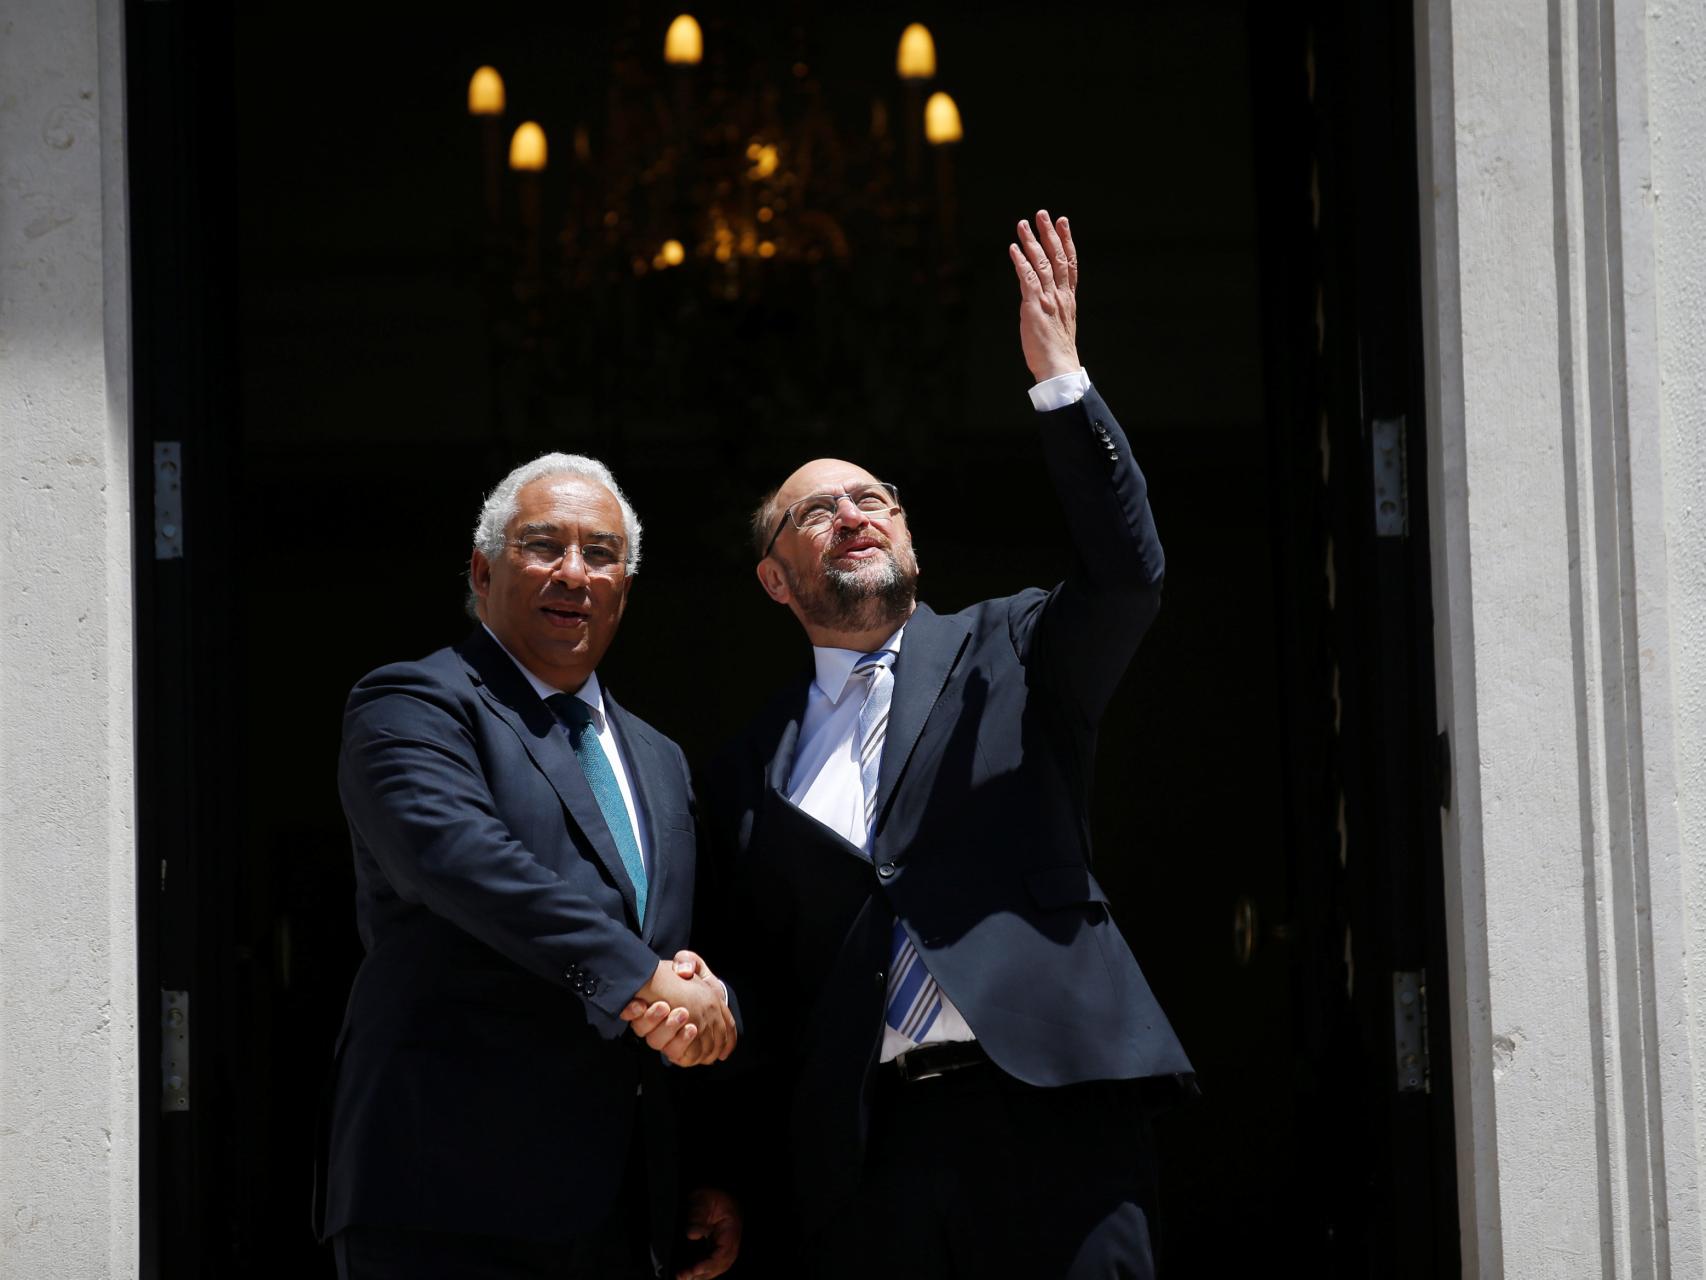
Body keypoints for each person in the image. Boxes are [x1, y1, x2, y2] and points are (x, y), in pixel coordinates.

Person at [666, 211, 1195, 1278]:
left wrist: (1060, 379)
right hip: (869, 1157)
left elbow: (1128, 575)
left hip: (1052, 1116)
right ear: (774, 577)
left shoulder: (1011, 647)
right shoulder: (740, 772)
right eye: (817, 511)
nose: (854, 515)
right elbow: (761, 988)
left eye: (873, 499)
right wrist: (717, 1165)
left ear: (906, 531)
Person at [314, 454, 741, 1280]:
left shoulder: (661, 760)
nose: (575, 573)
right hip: (451, 1199)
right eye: (544, 545)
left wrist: (708, 1147)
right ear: (482, 570)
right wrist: (648, 979)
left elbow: (704, 950)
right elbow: (467, 864)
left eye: (602, 554)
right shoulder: (412, 705)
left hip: (628, 1213)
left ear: (626, 587)